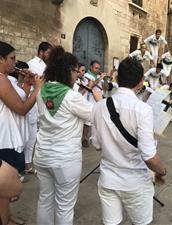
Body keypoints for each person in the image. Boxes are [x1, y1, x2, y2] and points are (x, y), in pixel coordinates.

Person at [91, 57, 166, 225]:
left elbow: (96, 145)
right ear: (141, 82)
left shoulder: (99, 106)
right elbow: (149, 157)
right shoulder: (143, 110)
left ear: (116, 78)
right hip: (135, 182)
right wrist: (162, 171)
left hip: (108, 179)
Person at [34, 46, 101, 225]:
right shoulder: (72, 97)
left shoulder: (41, 90)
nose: (78, 76)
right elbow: (96, 116)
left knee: (45, 200)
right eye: (75, 71)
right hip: (65, 159)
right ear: (68, 70)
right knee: (64, 206)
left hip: (42, 155)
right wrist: (99, 99)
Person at [0, 41, 44, 225]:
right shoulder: (0, 79)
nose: (14, 63)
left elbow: (20, 98)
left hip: (9, 136)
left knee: (3, 191)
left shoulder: (6, 78)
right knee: (5, 188)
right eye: (11, 59)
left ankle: (7, 216)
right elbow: (21, 108)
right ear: (0, 59)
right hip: (4, 138)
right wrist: (38, 89)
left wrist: (27, 85)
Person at [26, 42, 53, 174]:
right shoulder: (32, 63)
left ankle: (34, 162)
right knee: (31, 134)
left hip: (43, 102)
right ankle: (27, 164)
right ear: (41, 52)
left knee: (38, 134)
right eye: (48, 53)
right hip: (33, 101)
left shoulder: (48, 65)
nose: (49, 55)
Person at [82, 60, 102, 147]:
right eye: (96, 68)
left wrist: (104, 81)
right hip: (88, 100)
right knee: (87, 122)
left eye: (98, 68)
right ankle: (85, 138)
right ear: (91, 67)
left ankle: (93, 138)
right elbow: (89, 87)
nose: (97, 70)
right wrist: (100, 79)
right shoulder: (86, 76)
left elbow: (104, 88)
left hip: (97, 101)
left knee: (94, 121)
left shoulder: (98, 76)